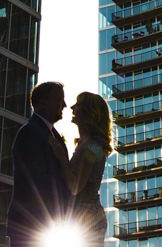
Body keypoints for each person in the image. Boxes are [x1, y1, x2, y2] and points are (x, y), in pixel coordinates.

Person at [7, 81, 71, 246]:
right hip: (32, 225)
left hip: (51, 226)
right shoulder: (30, 132)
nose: (64, 105)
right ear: (42, 103)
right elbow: (37, 180)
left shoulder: (54, 136)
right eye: (58, 100)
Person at [50, 92, 113, 247]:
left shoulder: (91, 148)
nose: (72, 108)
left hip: (86, 220)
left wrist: (61, 156)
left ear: (88, 112)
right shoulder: (87, 144)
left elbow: (75, 186)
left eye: (77, 105)